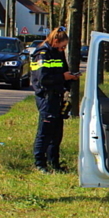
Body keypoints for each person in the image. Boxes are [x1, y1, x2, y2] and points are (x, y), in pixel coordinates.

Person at [31, 27, 80, 173]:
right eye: (62, 46)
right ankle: (40, 163)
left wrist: (70, 78)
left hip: (57, 96)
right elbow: (43, 79)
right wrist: (63, 77)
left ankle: (54, 163)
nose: (63, 49)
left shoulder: (57, 53)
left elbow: (62, 71)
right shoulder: (42, 54)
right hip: (46, 97)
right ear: (55, 41)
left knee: (57, 133)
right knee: (45, 132)